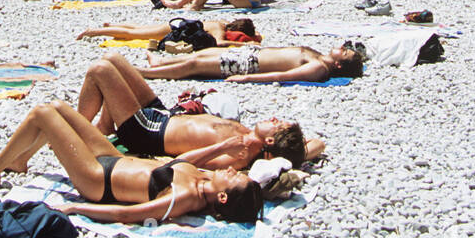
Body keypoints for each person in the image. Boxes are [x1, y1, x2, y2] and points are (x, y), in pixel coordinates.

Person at [0, 101, 264, 224]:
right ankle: (21, 159)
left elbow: (128, 213)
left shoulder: (185, 198)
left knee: (43, 113)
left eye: (235, 177)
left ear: (222, 196)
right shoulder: (201, 178)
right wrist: (222, 146)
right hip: (116, 160)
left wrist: (75, 208)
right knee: (58, 108)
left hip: (98, 179)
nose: (230, 170)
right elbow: (178, 163)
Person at [76, 52, 324, 168]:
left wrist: (222, 147)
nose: (274, 117)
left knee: (100, 70)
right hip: (164, 115)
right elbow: (317, 144)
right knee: (114, 59)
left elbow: (178, 164)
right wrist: (290, 156)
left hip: (148, 132)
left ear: (270, 139)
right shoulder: (250, 137)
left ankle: (77, 134)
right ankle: (103, 129)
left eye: (277, 124)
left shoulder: (238, 157)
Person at [140, 42, 364, 85]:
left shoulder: (319, 67)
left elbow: (282, 76)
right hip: (251, 54)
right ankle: (161, 62)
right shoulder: (319, 56)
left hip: (250, 65)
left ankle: (145, 73)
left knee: (195, 65)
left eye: (344, 53)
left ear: (339, 66)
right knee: (201, 55)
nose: (341, 48)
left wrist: (246, 78)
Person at [77, 16, 261, 46]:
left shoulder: (221, 22)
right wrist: (240, 44)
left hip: (177, 25)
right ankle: (94, 32)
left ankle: (109, 27)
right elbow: (220, 43)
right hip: (175, 29)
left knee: (139, 29)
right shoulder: (219, 29)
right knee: (133, 34)